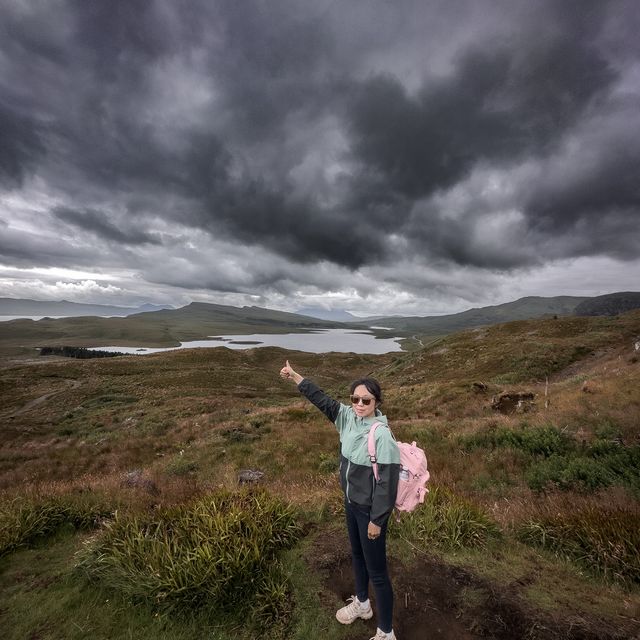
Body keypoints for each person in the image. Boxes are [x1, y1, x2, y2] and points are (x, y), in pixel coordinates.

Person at [280, 360, 400, 640]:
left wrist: (377, 520)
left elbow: (387, 484)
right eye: (355, 398)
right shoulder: (346, 418)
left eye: (366, 400)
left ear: (376, 402)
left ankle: (386, 632)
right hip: (351, 505)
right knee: (356, 555)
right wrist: (296, 376)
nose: (359, 404)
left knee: (378, 572)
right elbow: (321, 399)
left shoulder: (381, 435)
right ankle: (362, 604)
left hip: (370, 513)